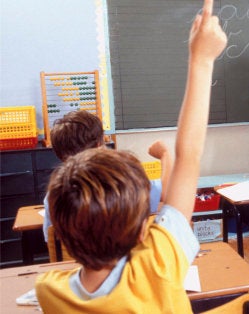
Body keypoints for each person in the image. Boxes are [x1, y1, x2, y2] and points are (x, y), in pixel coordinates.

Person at [35, 0, 227, 311]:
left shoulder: (49, 292)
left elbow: (188, 158)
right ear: (142, 232)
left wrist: (201, 59)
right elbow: (188, 155)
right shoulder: (158, 266)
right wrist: (201, 59)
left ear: (65, 240)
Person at [42, 111, 171, 243]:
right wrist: (165, 155)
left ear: (60, 155)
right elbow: (166, 193)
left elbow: (51, 239)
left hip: (76, 261)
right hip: (125, 259)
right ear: (99, 146)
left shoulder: (53, 195)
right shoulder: (122, 183)